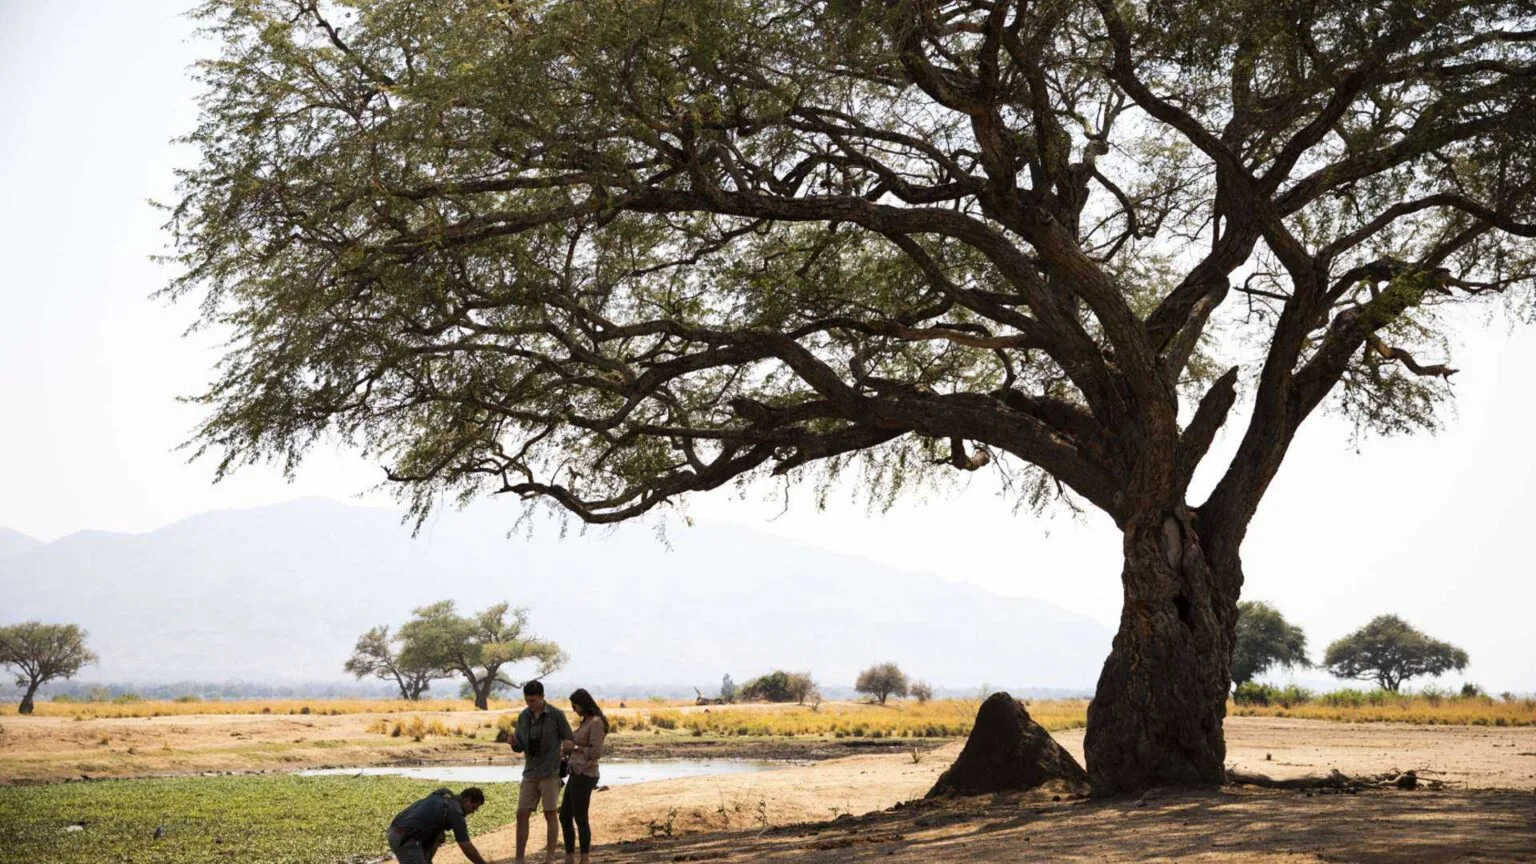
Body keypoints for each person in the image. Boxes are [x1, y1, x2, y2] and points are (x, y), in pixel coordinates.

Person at [511, 679, 573, 864]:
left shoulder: (556, 715)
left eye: (533, 701)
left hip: (550, 772)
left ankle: (550, 857)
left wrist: (566, 750)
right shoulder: (523, 717)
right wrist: (514, 744)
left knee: (550, 813)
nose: (530, 704)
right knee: (522, 814)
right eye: (527, 700)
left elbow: (568, 738)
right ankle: (519, 859)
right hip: (530, 772)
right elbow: (519, 746)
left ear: (542, 697)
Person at [560, 688, 609, 863]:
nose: (573, 709)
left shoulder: (596, 722)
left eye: (575, 705)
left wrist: (573, 747)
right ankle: (570, 857)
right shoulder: (585, 722)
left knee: (580, 817)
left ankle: (584, 858)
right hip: (575, 772)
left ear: (583, 703)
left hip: (586, 774)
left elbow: (596, 752)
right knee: (565, 816)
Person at [386, 787, 492, 864]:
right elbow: (466, 846)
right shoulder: (455, 811)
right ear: (468, 801)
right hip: (406, 837)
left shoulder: (444, 795)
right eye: (474, 808)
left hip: (396, 831)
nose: (472, 812)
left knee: (440, 836)